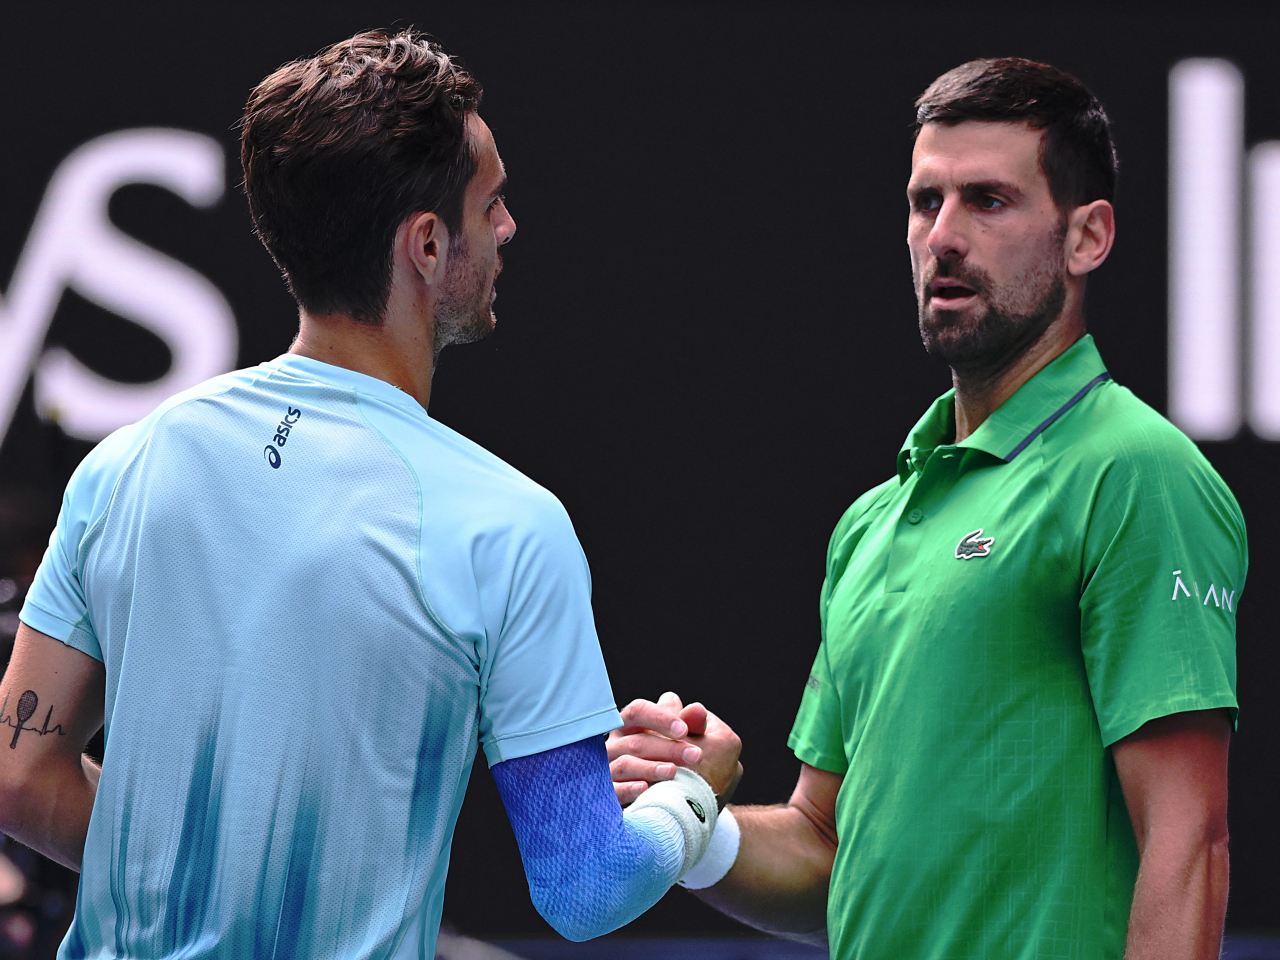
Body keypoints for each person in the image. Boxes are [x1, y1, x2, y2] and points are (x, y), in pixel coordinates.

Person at [0, 29, 725, 959]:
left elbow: (19, 778)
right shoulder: (508, 526)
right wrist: (697, 794)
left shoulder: (124, 464)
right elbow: (587, 883)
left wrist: (209, 875)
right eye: (491, 203)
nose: (507, 227)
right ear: (426, 243)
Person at [608, 58, 1243, 960]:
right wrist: (688, 817)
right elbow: (829, 850)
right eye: (924, 202)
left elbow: (1189, 847)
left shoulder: (1137, 473)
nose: (942, 236)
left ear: (1086, 236)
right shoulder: (869, 525)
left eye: (988, 201)